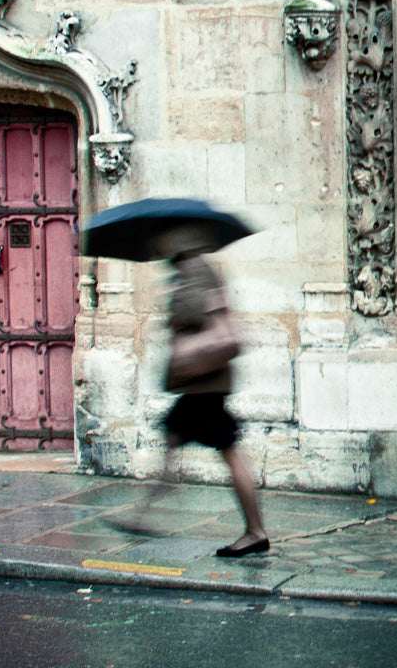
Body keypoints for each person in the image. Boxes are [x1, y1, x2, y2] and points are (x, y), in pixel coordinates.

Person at [152, 225, 269, 558]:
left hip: (205, 383)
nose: (160, 245)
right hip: (205, 382)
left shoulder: (192, 270)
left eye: (164, 239)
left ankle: (255, 531)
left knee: (228, 451)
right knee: (173, 435)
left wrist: (172, 306)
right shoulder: (196, 268)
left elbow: (189, 313)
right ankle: (151, 506)